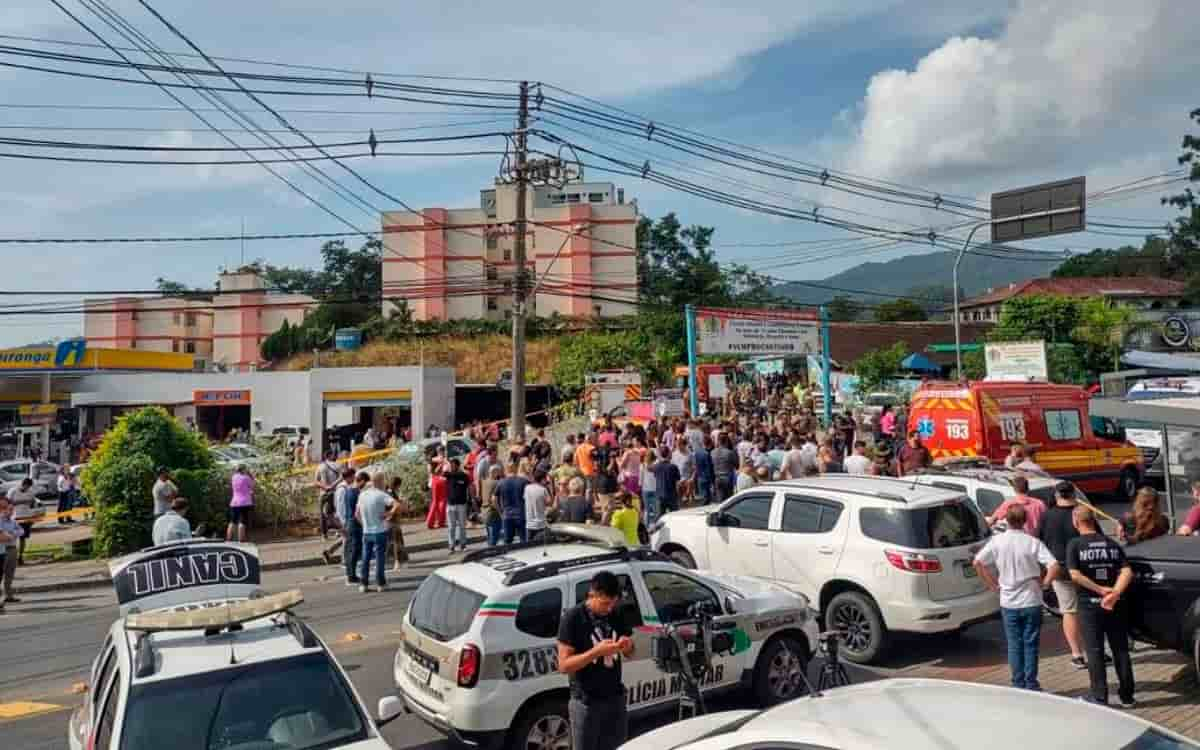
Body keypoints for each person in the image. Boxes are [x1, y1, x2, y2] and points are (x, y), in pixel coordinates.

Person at [973, 504, 1060, 691]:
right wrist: (1045, 583)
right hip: (1031, 599)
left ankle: (1017, 682)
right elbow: (1054, 565)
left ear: (1006, 520)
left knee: (1014, 643)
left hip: (1008, 600)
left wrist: (992, 584)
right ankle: (1031, 682)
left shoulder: (997, 542)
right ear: (1025, 521)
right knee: (1031, 643)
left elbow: (978, 562)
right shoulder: (1032, 542)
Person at [557, 571, 635, 750]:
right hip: (587, 703)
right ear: (593, 594)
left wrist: (627, 645)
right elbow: (563, 665)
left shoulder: (616, 614)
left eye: (613, 603)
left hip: (615, 699)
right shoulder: (573, 618)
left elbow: (631, 652)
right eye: (605, 603)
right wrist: (596, 652)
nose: (609, 608)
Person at [1067, 506, 1136, 708]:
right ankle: (1127, 696)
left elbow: (1075, 575)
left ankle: (1100, 697)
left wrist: (1100, 590)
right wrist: (1115, 593)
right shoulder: (1111, 543)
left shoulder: (1075, 545)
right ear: (1094, 520)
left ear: (1076, 521)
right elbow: (1127, 571)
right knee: (1120, 648)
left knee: (1094, 650)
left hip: (1090, 605)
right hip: (1114, 604)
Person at [1038, 481, 1088, 669]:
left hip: (1060, 570)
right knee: (1090, 610)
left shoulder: (1047, 516)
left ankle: (1077, 654)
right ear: (1073, 494)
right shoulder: (1083, 513)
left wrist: (1045, 571)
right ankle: (1096, 650)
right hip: (1085, 569)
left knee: (1069, 611)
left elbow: (1040, 542)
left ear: (1057, 495)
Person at [355, 473, 394, 593]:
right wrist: (388, 514)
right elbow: (396, 505)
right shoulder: (381, 495)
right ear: (380, 482)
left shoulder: (362, 495)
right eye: (383, 481)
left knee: (365, 558)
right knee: (379, 558)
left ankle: (363, 583)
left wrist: (364, 524)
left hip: (367, 532)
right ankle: (380, 583)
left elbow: (357, 514)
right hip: (379, 531)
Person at [341, 472, 366, 585]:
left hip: (350, 522)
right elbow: (358, 511)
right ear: (361, 481)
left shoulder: (348, 491)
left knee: (352, 549)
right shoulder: (356, 492)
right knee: (354, 550)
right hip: (355, 523)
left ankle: (351, 574)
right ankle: (351, 576)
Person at [6, 478, 38, 565]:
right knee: (12, 539)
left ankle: (20, 557)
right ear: (23, 484)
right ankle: (11, 558)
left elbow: (33, 504)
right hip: (15, 518)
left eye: (29, 487)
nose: (27, 488)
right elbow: (7, 503)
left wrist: (32, 504)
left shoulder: (30, 493)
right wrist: (20, 502)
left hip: (26, 517)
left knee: (23, 539)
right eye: (26, 486)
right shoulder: (13, 491)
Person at [497, 463, 530, 544]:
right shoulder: (524, 481)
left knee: (507, 542)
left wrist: (500, 512)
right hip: (521, 515)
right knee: (524, 541)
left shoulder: (501, 482)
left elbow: (493, 499)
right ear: (516, 469)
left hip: (507, 515)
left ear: (507, 470)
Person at [0, 497, 24, 608]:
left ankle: (8, 595)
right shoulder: (1, 521)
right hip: (4, 549)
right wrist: (9, 535)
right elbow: (3, 536)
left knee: (10, 573)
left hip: (11, 549)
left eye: (11, 510)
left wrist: (12, 533)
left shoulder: (13, 522)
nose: (8, 511)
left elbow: (21, 531)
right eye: (6, 509)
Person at [445, 459, 471, 552]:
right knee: (451, 527)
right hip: (450, 505)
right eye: (450, 465)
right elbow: (436, 472)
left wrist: (471, 500)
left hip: (461, 504)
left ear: (458, 466)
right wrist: (444, 462)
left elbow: (469, 487)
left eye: (453, 465)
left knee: (462, 526)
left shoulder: (464, 476)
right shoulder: (448, 475)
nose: (451, 467)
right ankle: (451, 545)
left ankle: (463, 544)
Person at [314, 451, 341, 538]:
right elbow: (342, 477)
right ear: (330, 456)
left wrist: (325, 487)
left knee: (322, 513)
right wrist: (332, 485)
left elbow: (316, 481)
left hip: (323, 493)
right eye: (333, 454)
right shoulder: (337, 465)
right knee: (336, 512)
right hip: (335, 492)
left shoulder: (319, 466)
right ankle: (339, 531)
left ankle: (324, 534)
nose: (334, 456)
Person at [226, 465, 254, 543]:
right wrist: (250, 475)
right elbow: (252, 486)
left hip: (234, 502)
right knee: (242, 522)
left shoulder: (233, 477)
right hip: (245, 503)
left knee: (232, 521)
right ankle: (241, 540)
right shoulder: (246, 478)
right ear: (243, 470)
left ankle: (228, 539)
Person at [651, 447, 681, 516]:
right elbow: (677, 482)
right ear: (668, 454)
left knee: (660, 518)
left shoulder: (656, 467)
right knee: (675, 516)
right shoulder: (673, 467)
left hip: (660, 495)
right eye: (670, 453)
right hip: (671, 496)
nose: (671, 454)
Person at [525, 469, 550, 542]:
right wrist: (549, 487)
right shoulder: (543, 490)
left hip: (529, 524)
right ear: (542, 479)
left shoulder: (527, 488)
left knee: (529, 548)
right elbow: (549, 503)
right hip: (541, 524)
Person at [711, 434, 738, 503]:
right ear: (726, 441)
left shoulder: (712, 452)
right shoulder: (729, 453)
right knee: (729, 501)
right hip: (727, 477)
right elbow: (736, 465)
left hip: (717, 477)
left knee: (720, 501)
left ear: (718, 441)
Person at [481, 465, 504, 546]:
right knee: (494, 537)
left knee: (489, 536)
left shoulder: (484, 482)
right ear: (494, 472)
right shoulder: (496, 483)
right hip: (493, 513)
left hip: (484, 511)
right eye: (498, 472)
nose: (500, 474)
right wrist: (501, 512)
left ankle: (489, 550)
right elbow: (495, 500)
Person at [427, 462, 448, 530]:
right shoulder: (443, 460)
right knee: (442, 501)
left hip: (435, 480)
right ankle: (440, 522)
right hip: (442, 480)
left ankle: (430, 522)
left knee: (435, 502)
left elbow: (433, 471)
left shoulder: (433, 460)